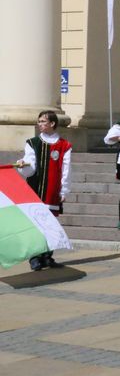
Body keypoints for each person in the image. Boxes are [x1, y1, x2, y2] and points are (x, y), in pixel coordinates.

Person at [16, 110, 71, 271]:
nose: (39, 124)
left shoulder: (64, 145)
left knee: (51, 224)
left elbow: (66, 169)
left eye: (42, 121)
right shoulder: (32, 143)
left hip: (52, 190)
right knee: (35, 224)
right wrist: (23, 164)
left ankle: (47, 256)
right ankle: (35, 257)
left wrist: (64, 190)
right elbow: (30, 167)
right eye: (39, 121)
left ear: (52, 123)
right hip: (35, 189)